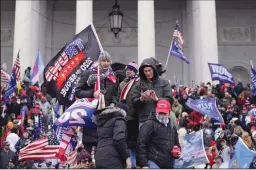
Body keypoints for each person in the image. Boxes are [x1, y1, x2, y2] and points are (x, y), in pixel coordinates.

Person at [75, 51, 117, 153]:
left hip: (107, 115)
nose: (106, 63)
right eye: (103, 60)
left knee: (103, 149)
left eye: (108, 61)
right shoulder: (88, 74)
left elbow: (115, 93)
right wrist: (92, 94)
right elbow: (78, 91)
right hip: (91, 114)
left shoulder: (112, 75)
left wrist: (113, 103)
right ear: (99, 61)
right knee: (88, 151)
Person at [136, 99, 180, 169]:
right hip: (154, 162)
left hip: (169, 163)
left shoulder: (172, 126)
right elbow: (141, 143)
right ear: (156, 111)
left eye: (164, 113)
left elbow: (176, 144)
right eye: (160, 113)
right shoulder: (149, 124)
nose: (162, 115)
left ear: (169, 112)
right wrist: (144, 164)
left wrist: (177, 152)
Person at [132, 57, 173, 129]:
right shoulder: (138, 85)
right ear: (142, 72)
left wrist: (157, 99)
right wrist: (141, 98)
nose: (148, 73)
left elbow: (170, 100)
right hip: (145, 119)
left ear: (154, 69)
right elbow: (133, 103)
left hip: (161, 118)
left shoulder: (164, 82)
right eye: (145, 71)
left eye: (149, 70)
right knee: (144, 140)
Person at [93, 102, 131, 169]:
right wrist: (127, 157)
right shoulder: (119, 120)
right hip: (113, 159)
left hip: (99, 158)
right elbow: (119, 139)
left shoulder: (102, 122)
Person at [117, 60, 139, 168]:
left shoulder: (138, 82)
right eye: (127, 70)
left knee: (135, 143)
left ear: (135, 71)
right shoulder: (122, 84)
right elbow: (118, 98)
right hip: (125, 117)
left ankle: (135, 164)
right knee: (126, 142)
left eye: (131, 70)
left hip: (135, 117)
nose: (128, 71)